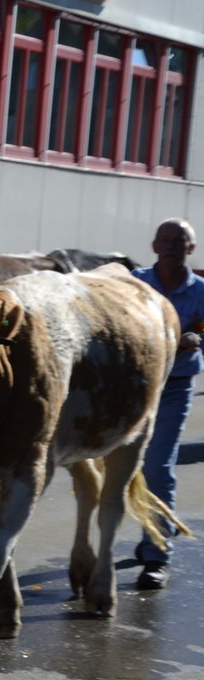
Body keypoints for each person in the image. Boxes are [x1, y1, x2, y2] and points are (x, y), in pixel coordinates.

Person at [131, 217, 204, 590]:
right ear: (155, 245)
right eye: (166, 239)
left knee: (159, 466)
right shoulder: (135, 282)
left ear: (191, 248)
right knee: (125, 469)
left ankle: (158, 554)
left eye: (181, 240)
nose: (173, 245)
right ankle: (143, 537)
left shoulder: (201, 291)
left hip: (174, 386)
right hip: (134, 385)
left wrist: (195, 338)